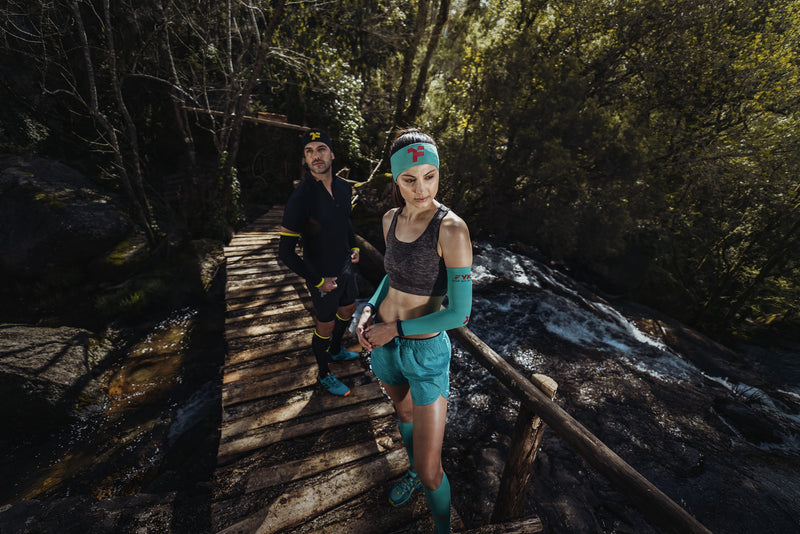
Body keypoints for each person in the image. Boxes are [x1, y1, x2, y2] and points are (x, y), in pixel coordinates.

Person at [356, 128, 472, 534]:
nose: (421, 188)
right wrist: (368, 309)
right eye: (409, 179)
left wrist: (396, 329)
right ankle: (408, 472)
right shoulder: (390, 218)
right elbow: (390, 277)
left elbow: (459, 314)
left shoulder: (452, 229)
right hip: (384, 347)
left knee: (430, 470)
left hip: (424, 353)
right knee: (401, 412)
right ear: (395, 179)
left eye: (430, 175)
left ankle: (443, 529)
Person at [278, 128, 361, 397]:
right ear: (304, 159)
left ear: (332, 153)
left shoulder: (343, 187)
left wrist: (355, 246)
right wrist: (318, 281)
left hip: (345, 265)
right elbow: (286, 252)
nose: (316, 156)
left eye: (321, 149)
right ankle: (324, 373)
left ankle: (336, 349)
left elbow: (344, 221)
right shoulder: (300, 198)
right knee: (324, 325)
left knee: (348, 310)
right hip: (321, 272)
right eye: (309, 151)